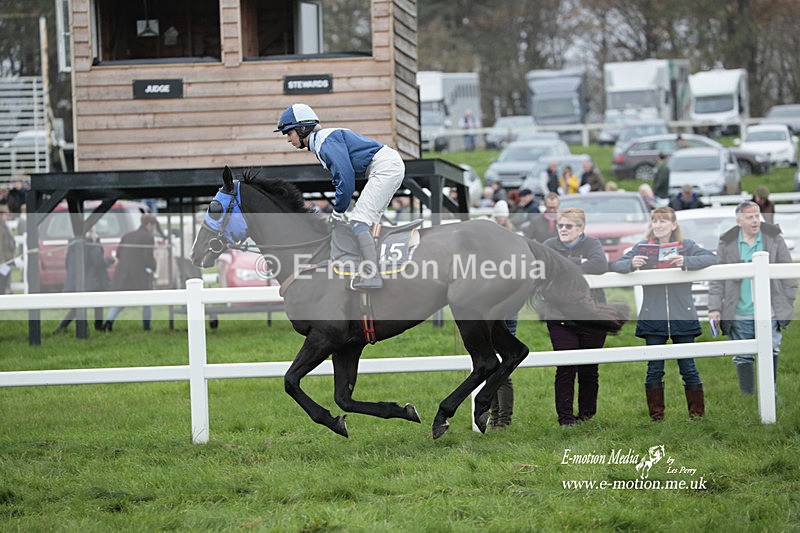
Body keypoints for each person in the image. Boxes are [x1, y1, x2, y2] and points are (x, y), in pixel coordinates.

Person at [275, 103, 405, 290]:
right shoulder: (323, 141)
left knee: (359, 221)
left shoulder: (324, 142)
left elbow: (345, 179)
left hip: (384, 167)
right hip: (386, 165)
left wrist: (337, 212)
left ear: (302, 128)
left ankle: (372, 275)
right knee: (367, 224)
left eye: (288, 133)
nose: (288, 139)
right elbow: (344, 180)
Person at [611, 207, 718, 421]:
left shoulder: (686, 247)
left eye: (663, 221)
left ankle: (697, 416)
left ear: (673, 224)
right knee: (655, 369)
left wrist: (686, 262)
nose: (658, 225)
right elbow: (616, 264)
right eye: (655, 222)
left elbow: (711, 258)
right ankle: (656, 418)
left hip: (682, 315)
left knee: (688, 367)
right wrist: (631, 264)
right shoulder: (642, 248)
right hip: (653, 317)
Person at [708, 201, 797, 395]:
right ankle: (747, 394)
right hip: (739, 310)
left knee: (772, 348)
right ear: (739, 221)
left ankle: (769, 392)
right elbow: (717, 279)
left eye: (757, 216)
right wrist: (714, 308)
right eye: (750, 217)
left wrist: (788, 301)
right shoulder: (726, 243)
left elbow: (787, 272)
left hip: (770, 309)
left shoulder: (773, 238)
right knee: (742, 355)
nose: (756, 220)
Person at [541, 207, 609, 425]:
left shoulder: (593, 244)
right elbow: (545, 268)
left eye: (568, 226)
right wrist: (579, 263)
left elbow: (600, 264)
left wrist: (567, 266)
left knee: (589, 368)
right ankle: (566, 419)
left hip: (592, 315)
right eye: (560, 225)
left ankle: (587, 417)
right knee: (566, 366)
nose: (563, 229)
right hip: (559, 315)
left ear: (581, 229)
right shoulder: (550, 245)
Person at [102, 214, 159, 331]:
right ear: (149, 225)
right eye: (153, 225)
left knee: (122, 300)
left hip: (123, 273)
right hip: (140, 275)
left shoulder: (127, 235)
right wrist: (153, 267)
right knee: (147, 300)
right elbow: (147, 257)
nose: (153, 228)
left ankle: (109, 321)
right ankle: (146, 326)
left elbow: (118, 254)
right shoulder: (148, 237)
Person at [488, 200, 517, 429]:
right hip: (489, 315)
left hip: (505, 315)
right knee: (491, 366)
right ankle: (493, 414)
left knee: (502, 368)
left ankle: (502, 419)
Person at [53, 228, 114, 334]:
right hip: (91, 280)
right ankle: (95, 326)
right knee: (96, 304)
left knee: (78, 307)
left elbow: (67, 263)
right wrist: (110, 260)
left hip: (76, 280)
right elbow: (97, 260)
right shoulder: (91, 244)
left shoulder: (73, 245)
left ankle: (64, 326)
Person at [0, 205, 15, 295]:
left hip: (7, 258)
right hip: (3, 260)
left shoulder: (5, 226)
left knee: (6, 279)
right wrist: (1, 260)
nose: (7, 215)